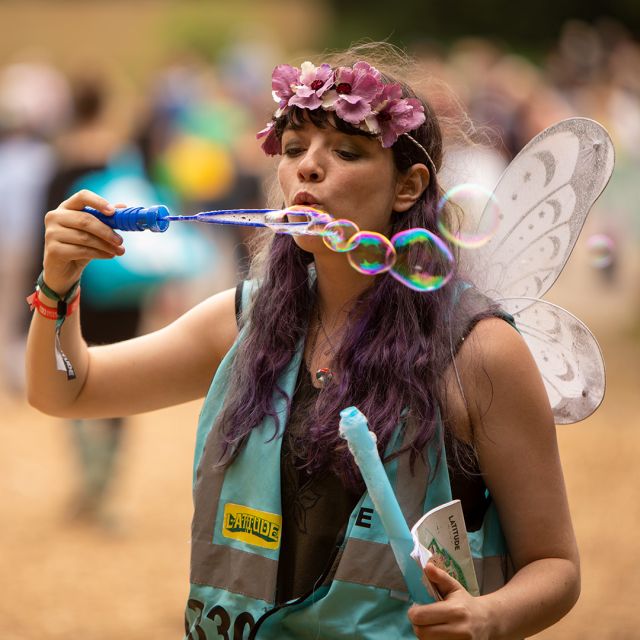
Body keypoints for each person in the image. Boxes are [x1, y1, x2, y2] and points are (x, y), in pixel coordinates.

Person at [26, 45, 580, 639]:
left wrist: (491, 615)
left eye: (345, 151)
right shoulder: (244, 322)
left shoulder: (478, 351)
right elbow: (68, 390)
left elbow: (556, 565)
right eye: (293, 151)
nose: (307, 168)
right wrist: (58, 284)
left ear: (407, 186)